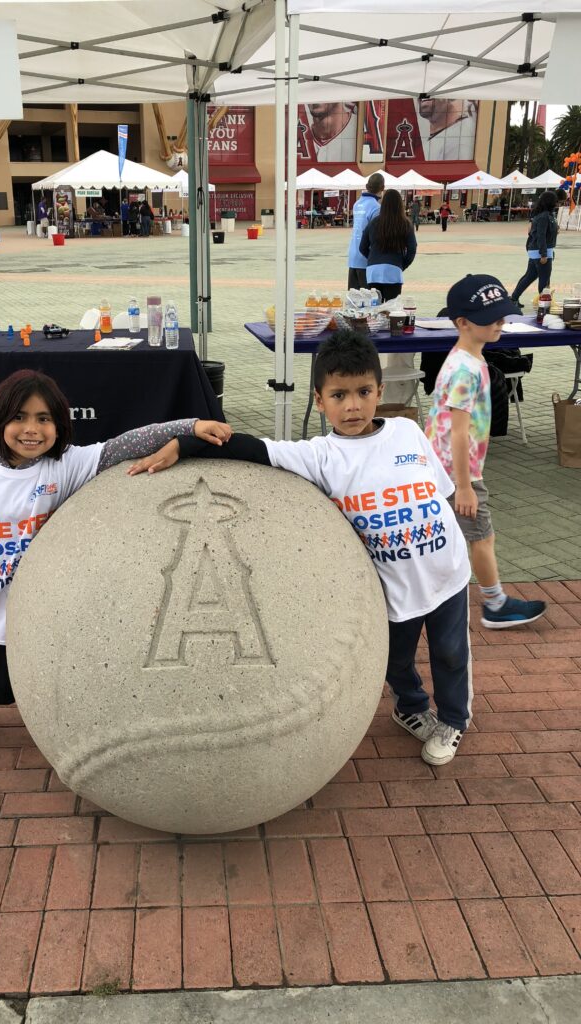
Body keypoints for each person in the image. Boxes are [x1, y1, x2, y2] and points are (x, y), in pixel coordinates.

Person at [130, 331, 475, 767]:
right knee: (394, 659)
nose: (353, 406)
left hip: (446, 572)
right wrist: (185, 443)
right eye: (339, 395)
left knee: (451, 653)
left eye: (364, 392)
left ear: (379, 391)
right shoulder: (320, 456)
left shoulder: (407, 432)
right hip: (393, 586)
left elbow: (438, 492)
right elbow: (251, 449)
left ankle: (453, 719)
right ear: (319, 400)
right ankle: (411, 706)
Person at [0, 369, 230, 751]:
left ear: (59, 425)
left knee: (6, 686)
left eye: (44, 418)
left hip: (20, 603)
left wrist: (191, 426)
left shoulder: (66, 465)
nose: (31, 429)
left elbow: (128, 443)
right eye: (19, 417)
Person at [425, 275, 546, 629]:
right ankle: (495, 604)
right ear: (462, 322)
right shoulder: (465, 370)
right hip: (456, 472)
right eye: (490, 318)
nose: (499, 323)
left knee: (452, 536)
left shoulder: (467, 359)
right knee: (482, 535)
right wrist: (465, 486)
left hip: (444, 469)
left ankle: (436, 596)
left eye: (501, 315)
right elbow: (458, 433)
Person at [358, 188, 416, 302]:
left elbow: (362, 247)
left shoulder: (373, 223)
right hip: (394, 269)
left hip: (373, 271)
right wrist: (402, 265)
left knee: (375, 308)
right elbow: (412, 249)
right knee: (392, 308)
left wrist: (373, 259)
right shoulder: (405, 224)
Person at [510, 191, 558, 309]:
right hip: (541, 252)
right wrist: (544, 254)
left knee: (529, 277)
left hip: (537, 251)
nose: (557, 203)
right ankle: (544, 306)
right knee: (544, 280)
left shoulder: (544, 215)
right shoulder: (544, 217)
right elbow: (541, 236)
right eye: (555, 201)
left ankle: (513, 299)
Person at [347, 172, 384, 290]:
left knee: (353, 297)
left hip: (353, 256)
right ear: (382, 188)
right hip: (366, 258)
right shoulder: (376, 208)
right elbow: (376, 235)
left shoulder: (357, 204)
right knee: (368, 298)